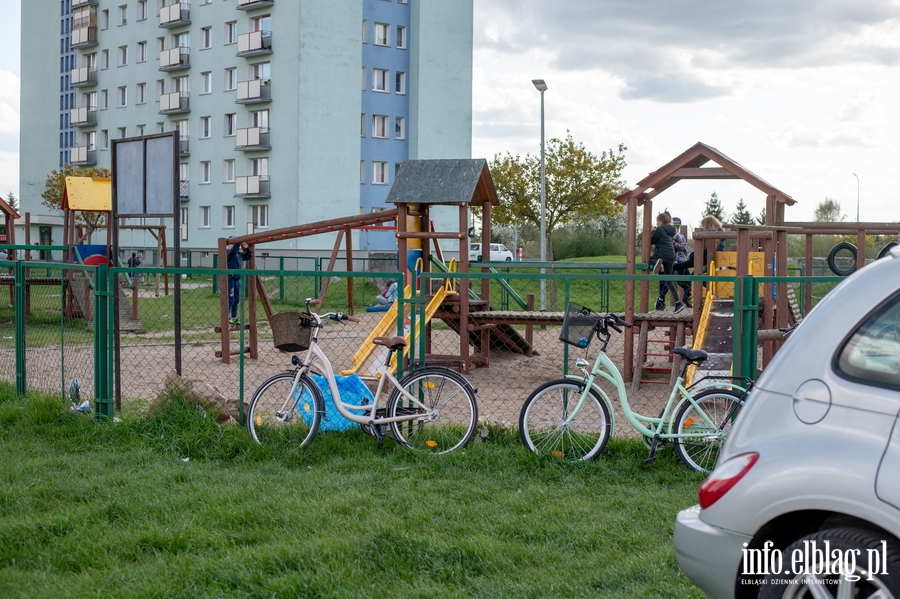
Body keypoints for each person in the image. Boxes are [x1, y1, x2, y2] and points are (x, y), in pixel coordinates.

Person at [673, 215, 726, 306]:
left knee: (688, 267)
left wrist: (691, 255)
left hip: (709, 259)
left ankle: (677, 274)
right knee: (694, 271)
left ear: (707, 226)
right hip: (712, 259)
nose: (702, 228)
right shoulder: (720, 234)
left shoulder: (711, 235)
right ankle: (687, 294)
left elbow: (703, 251)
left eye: (703, 226)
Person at [650, 210, 684, 313]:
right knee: (668, 280)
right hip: (671, 256)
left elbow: (652, 241)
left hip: (662, 253)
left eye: (657, 221)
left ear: (661, 221)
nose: (656, 223)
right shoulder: (671, 230)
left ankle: (659, 265)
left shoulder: (660, 229)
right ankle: (678, 303)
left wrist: (652, 232)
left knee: (649, 259)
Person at [227, 238, 252, 326]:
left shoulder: (239, 254)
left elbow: (249, 256)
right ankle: (226, 318)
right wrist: (237, 242)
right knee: (230, 299)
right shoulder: (228, 252)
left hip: (237, 279)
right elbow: (233, 250)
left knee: (236, 300)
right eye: (232, 243)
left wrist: (246, 248)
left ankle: (234, 318)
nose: (234, 246)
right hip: (230, 278)